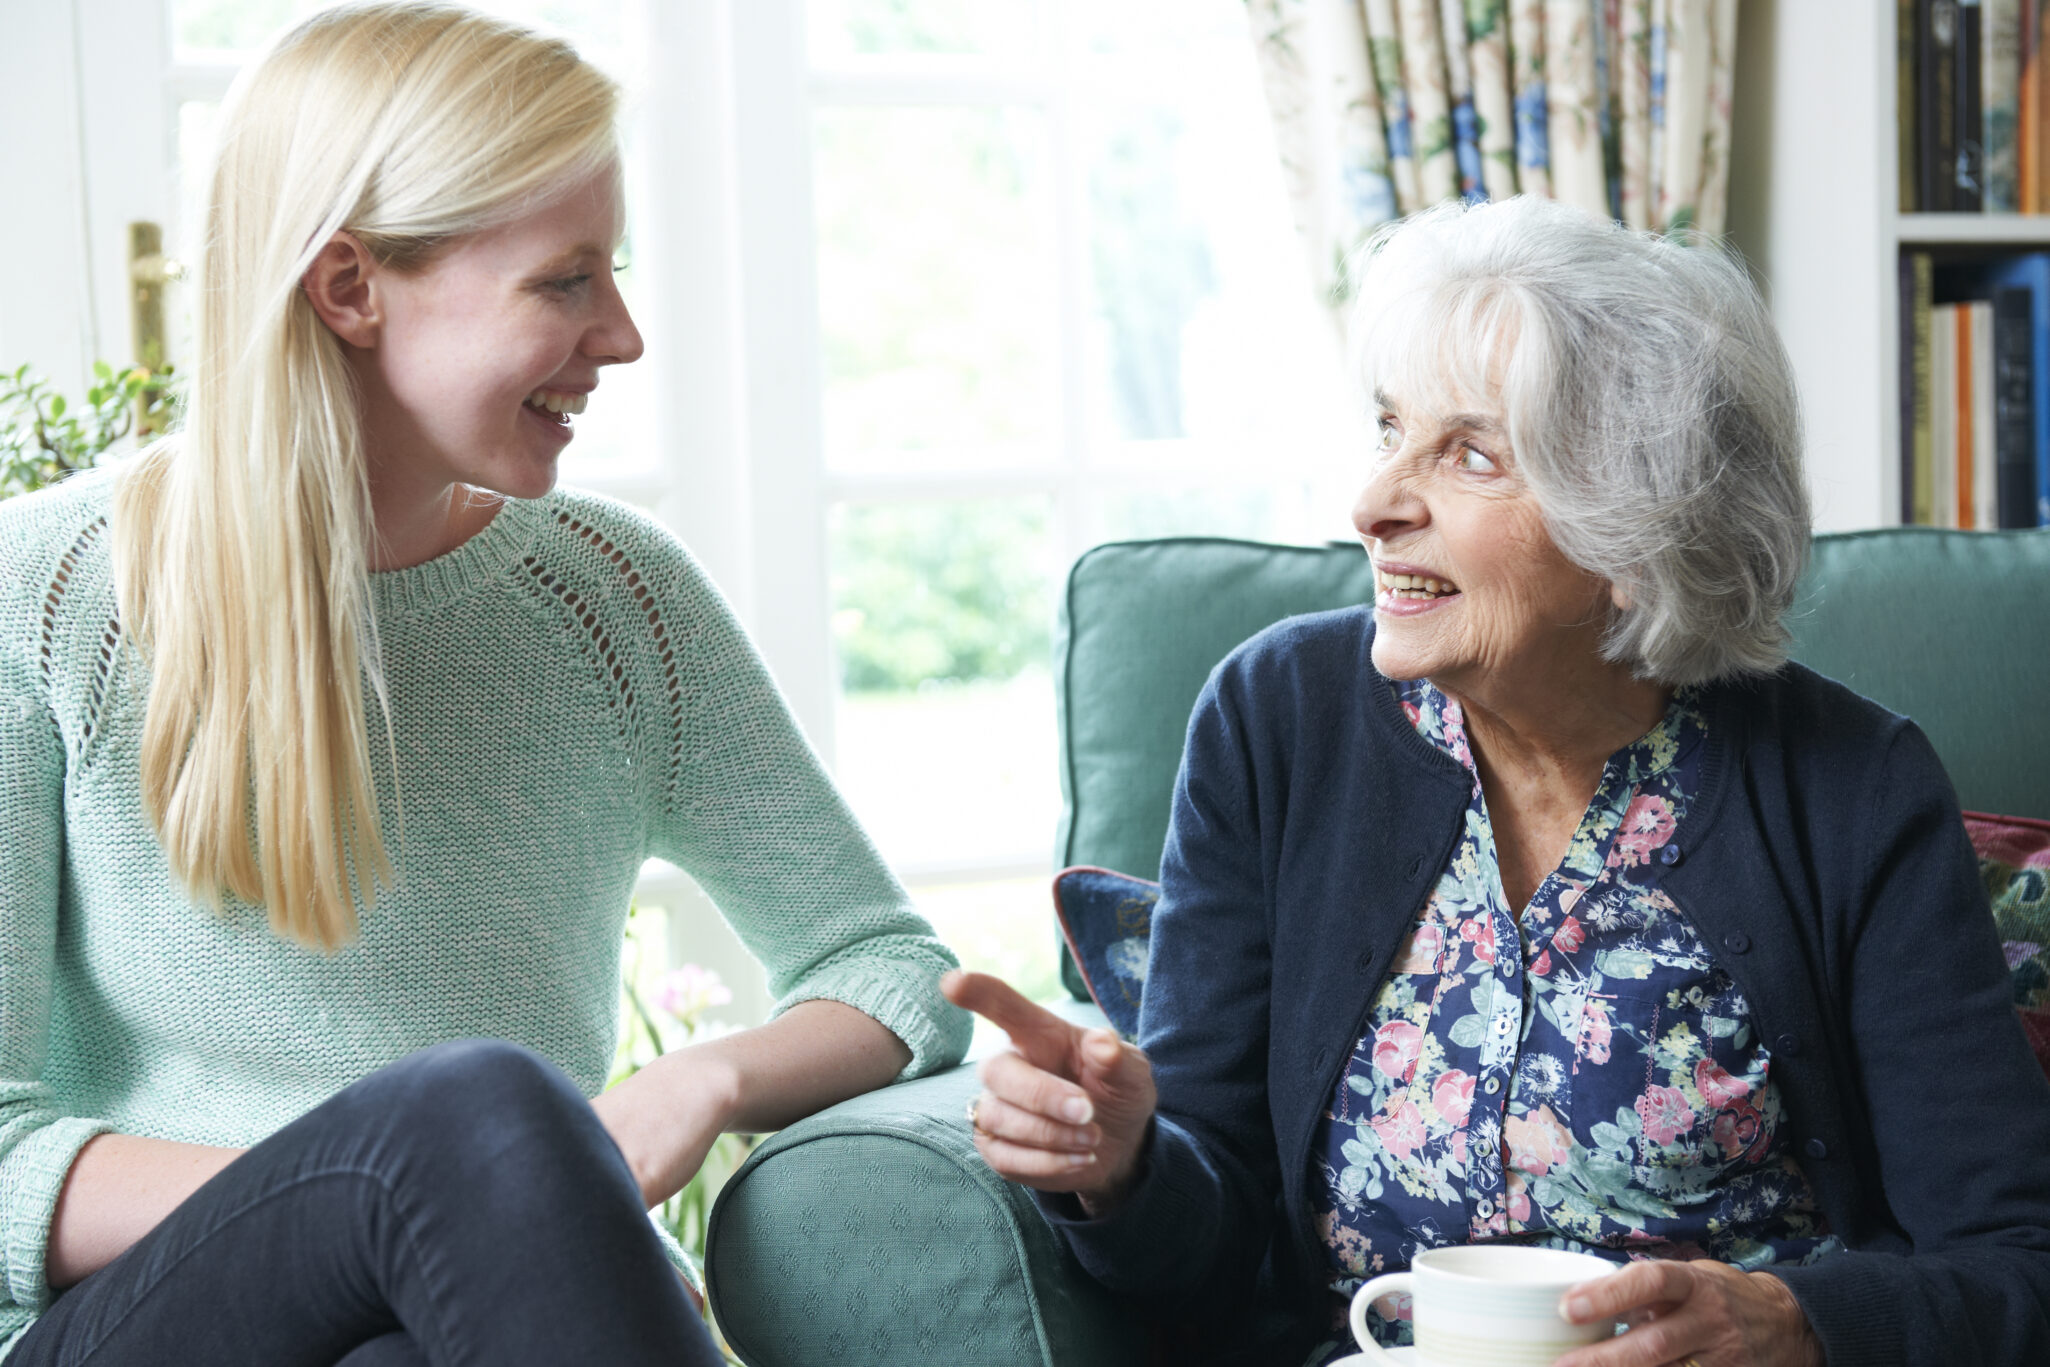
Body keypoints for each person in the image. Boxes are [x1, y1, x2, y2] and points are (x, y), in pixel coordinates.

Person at [0, 5, 968, 1364]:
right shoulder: (45, 590)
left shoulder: (614, 598)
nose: (623, 335)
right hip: (122, 1325)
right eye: (565, 280)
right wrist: (405, 1199)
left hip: (439, 1323)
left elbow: (890, 964)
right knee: (463, 1117)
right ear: (349, 288)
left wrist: (704, 1073)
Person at [943, 194, 2050, 1367]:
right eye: (1387, 429)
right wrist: (1120, 1164)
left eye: (1469, 453)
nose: (1372, 505)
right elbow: (1210, 1235)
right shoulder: (1278, 721)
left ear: (1634, 534)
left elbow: (2015, 1261)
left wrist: (1799, 1323)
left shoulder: (1850, 789)